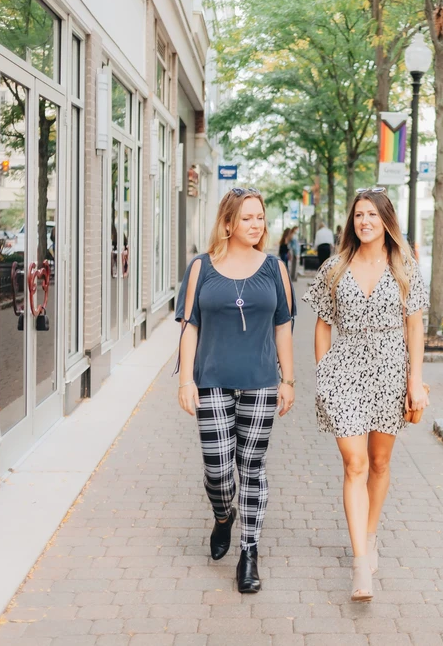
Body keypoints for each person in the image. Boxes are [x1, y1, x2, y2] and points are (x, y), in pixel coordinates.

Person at [303, 187, 429, 602]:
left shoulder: (406, 267)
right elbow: (322, 324)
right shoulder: (334, 268)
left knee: (378, 461)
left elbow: (415, 328)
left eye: (372, 214)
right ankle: (360, 565)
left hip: (391, 372)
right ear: (351, 222)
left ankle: (370, 534)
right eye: (359, 215)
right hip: (345, 372)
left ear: (386, 220)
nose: (365, 221)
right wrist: (323, 374)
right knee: (354, 463)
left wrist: (415, 380)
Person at [175, 187, 296, 594]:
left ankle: (249, 553)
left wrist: (289, 380)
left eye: (260, 217)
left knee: (252, 467)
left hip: (261, 382)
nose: (256, 224)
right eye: (247, 218)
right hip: (211, 381)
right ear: (227, 223)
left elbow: (283, 325)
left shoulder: (274, 268)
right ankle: (223, 514)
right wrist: (185, 380)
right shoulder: (201, 268)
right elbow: (189, 324)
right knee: (218, 470)